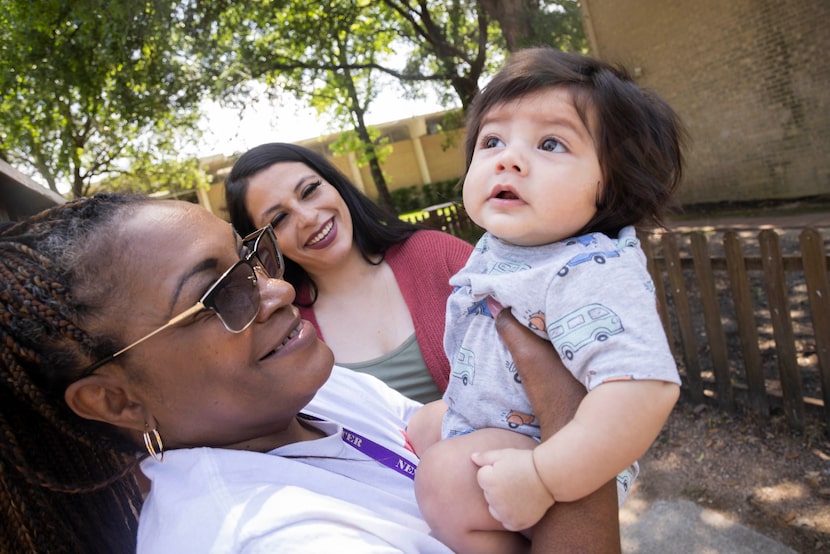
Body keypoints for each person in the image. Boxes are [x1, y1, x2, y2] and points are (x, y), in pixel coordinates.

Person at [0, 193, 621, 553]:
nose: (272, 288)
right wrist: (570, 417)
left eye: (248, 257)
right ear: (115, 399)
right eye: (217, 294)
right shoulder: (265, 538)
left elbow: (447, 428)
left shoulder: (304, 399)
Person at [409, 47, 685, 553]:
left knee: (443, 479)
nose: (508, 158)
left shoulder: (586, 268)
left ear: (610, 185)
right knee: (422, 425)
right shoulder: (505, 247)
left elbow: (645, 388)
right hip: (502, 429)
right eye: (492, 140)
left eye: (551, 143)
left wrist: (544, 476)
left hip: (563, 455)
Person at [225, 143, 473, 403]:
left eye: (309, 191)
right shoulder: (284, 331)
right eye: (278, 219)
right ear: (264, 247)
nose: (308, 217)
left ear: (335, 185)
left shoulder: (437, 255)